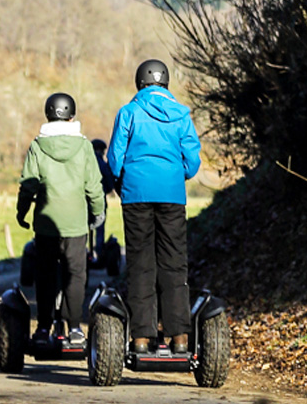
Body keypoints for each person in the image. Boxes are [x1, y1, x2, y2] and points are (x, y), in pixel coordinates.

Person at [107, 59, 202, 354]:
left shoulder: (129, 112)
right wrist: (175, 176)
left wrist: (124, 182)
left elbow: (114, 159)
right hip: (172, 196)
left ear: (140, 83)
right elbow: (193, 161)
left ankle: (142, 338)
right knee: (174, 263)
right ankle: (179, 337)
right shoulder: (181, 114)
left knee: (141, 264)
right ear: (166, 83)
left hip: (136, 195)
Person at [16, 93, 106, 346]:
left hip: (45, 223)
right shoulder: (85, 146)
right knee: (75, 274)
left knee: (45, 275)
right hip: (76, 225)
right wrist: (98, 212)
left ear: (47, 114)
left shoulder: (37, 146)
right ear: (72, 116)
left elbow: (28, 186)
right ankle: (75, 328)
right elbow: (93, 186)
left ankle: (44, 327)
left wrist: (21, 213)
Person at [90, 139, 117, 262]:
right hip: (100, 200)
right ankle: (98, 253)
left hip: (83, 202)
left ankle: (85, 255)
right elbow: (110, 184)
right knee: (99, 228)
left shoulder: (85, 162)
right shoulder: (102, 164)